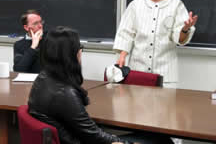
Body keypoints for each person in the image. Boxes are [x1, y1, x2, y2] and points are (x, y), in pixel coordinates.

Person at [28, 26, 174, 144]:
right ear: (70, 54)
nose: (80, 51)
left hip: (73, 137)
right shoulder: (65, 94)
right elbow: (93, 135)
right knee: (162, 140)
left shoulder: (43, 79)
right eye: (79, 47)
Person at [113, 0, 198, 88]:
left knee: (165, 107)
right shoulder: (135, 5)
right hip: (138, 71)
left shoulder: (176, 4)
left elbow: (179, 39)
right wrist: (122, 56)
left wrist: (185, 29)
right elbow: (126, 33)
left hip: (166, 73)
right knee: (137, 107)